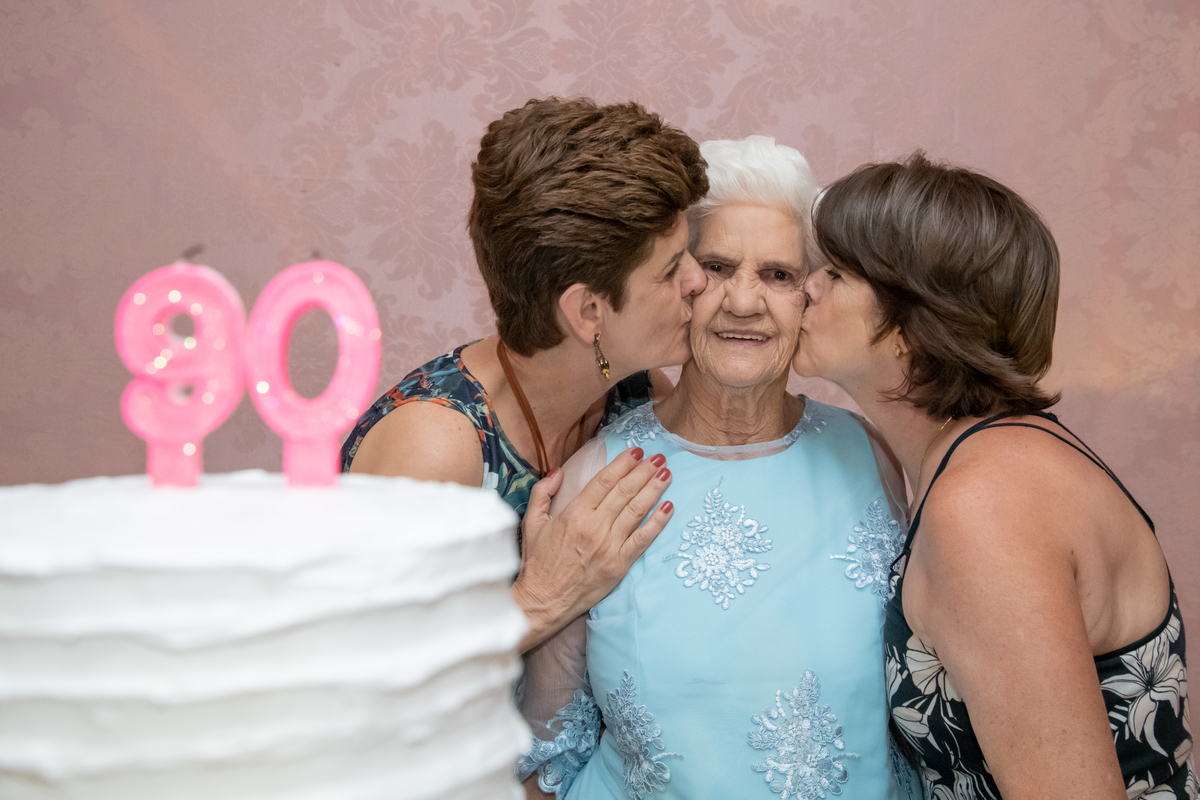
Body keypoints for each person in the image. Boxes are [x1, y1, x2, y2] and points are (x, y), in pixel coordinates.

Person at [518, 136, 920, 799]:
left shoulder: (869, 453)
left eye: (778, 275)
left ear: (810, 297)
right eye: (717, 267)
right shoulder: (599, 477)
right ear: (682, 285)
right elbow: (548, 751)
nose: (743, 302)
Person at [794, 152, 1193, 799]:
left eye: (835, 272)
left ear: (911, 325)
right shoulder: (999, 455)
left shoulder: (987, 504)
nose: (806, 286)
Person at [341, 98, 709, 651]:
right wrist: (539, 600)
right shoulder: (434, 451)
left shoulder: (638, 394)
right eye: (672, 268)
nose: (699, 280)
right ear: (588, 312)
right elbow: (365, 670)